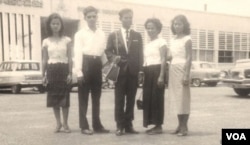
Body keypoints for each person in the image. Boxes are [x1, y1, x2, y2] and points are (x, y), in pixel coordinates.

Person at [105, 8, 143, 136]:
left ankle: (128, 125)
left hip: (133, 71)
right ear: (120, 19)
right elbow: (108, 51)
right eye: (126, 17)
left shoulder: (137, 35)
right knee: (119, 99)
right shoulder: (113, 35)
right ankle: (119, 125)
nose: (128, 20)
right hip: (120, 71)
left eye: (130, 17)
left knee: (131, 99)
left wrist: (141, 71)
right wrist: (113, 58)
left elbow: (140, 55)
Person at [74, 6, 109, 135]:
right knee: (83, 98)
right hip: (85, 63)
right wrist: (78, 71)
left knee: (96, 97)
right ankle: (84, 126)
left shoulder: (101, 33)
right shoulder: (80, 34)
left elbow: (102, 53)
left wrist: (107, 71)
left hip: (97, 65)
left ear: (97, 17)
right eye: (89, 17)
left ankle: (97, 125)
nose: (92, 19)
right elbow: (77, 53)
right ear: (85, 18)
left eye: (94, 16)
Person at [42, 13, 72, 133]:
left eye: (57, 23)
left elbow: (70, 58)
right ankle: (58, 123)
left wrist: (70, 73)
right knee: (54, 98)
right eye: (53, 23)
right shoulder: (46, 41)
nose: (55, 26)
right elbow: (44, 59)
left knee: (64, 98)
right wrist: (43, 75)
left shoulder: (67, 40)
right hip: (52, 70)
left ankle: (65, 124)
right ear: (49, 25)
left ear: (61, 25)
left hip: (64, 69)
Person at [168, 14, 192, 136]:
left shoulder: (187, 39)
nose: (177, 26)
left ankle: (184, 127)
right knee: (176, 99)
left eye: (180, 24)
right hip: (172, 69)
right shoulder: (172, 40)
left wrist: (186, 74)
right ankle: (179, 125)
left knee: (183, 99)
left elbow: (189, 57)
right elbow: (171, 56)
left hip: (182, 69)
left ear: (184, 25)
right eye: (175, 24)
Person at [142, 18, 168, 135]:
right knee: (149, 99)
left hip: (157, 70)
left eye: (153, 28)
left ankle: (158, 126)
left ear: (158, 29)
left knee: (157, 98)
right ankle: (153, 124)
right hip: (148, 71)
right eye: (148, 28)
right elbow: (146, 60)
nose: (150, 30)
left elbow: (163, 59)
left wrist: (161, 76)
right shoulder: (147, 44)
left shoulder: (161, 42)